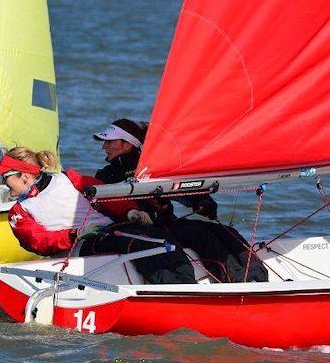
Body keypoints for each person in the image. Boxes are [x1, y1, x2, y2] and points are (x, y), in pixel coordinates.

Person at [92, 119, 268, 283]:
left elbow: (178, 190)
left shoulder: (153, 167)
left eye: (109, 142)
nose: (104, 148)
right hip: (136, 229)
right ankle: (235, 281)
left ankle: (257, 278)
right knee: (201, 236)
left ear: (127, 144)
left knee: (225, 232)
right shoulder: (105, 175)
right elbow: (103, 207)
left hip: (166, 224)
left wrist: (201, 200)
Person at [0, 147, 196, 284]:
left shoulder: (68, 178)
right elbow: (38, 241)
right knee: (135, 244)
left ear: (24, 176)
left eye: (5, 177)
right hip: (80, 245)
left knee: (160, 236)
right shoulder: (19, 212)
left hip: (109, 231)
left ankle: (188, 285)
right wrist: (74, 234)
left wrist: (130, 211)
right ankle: (172, 287)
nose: (2, 184)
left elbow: (104, 194)